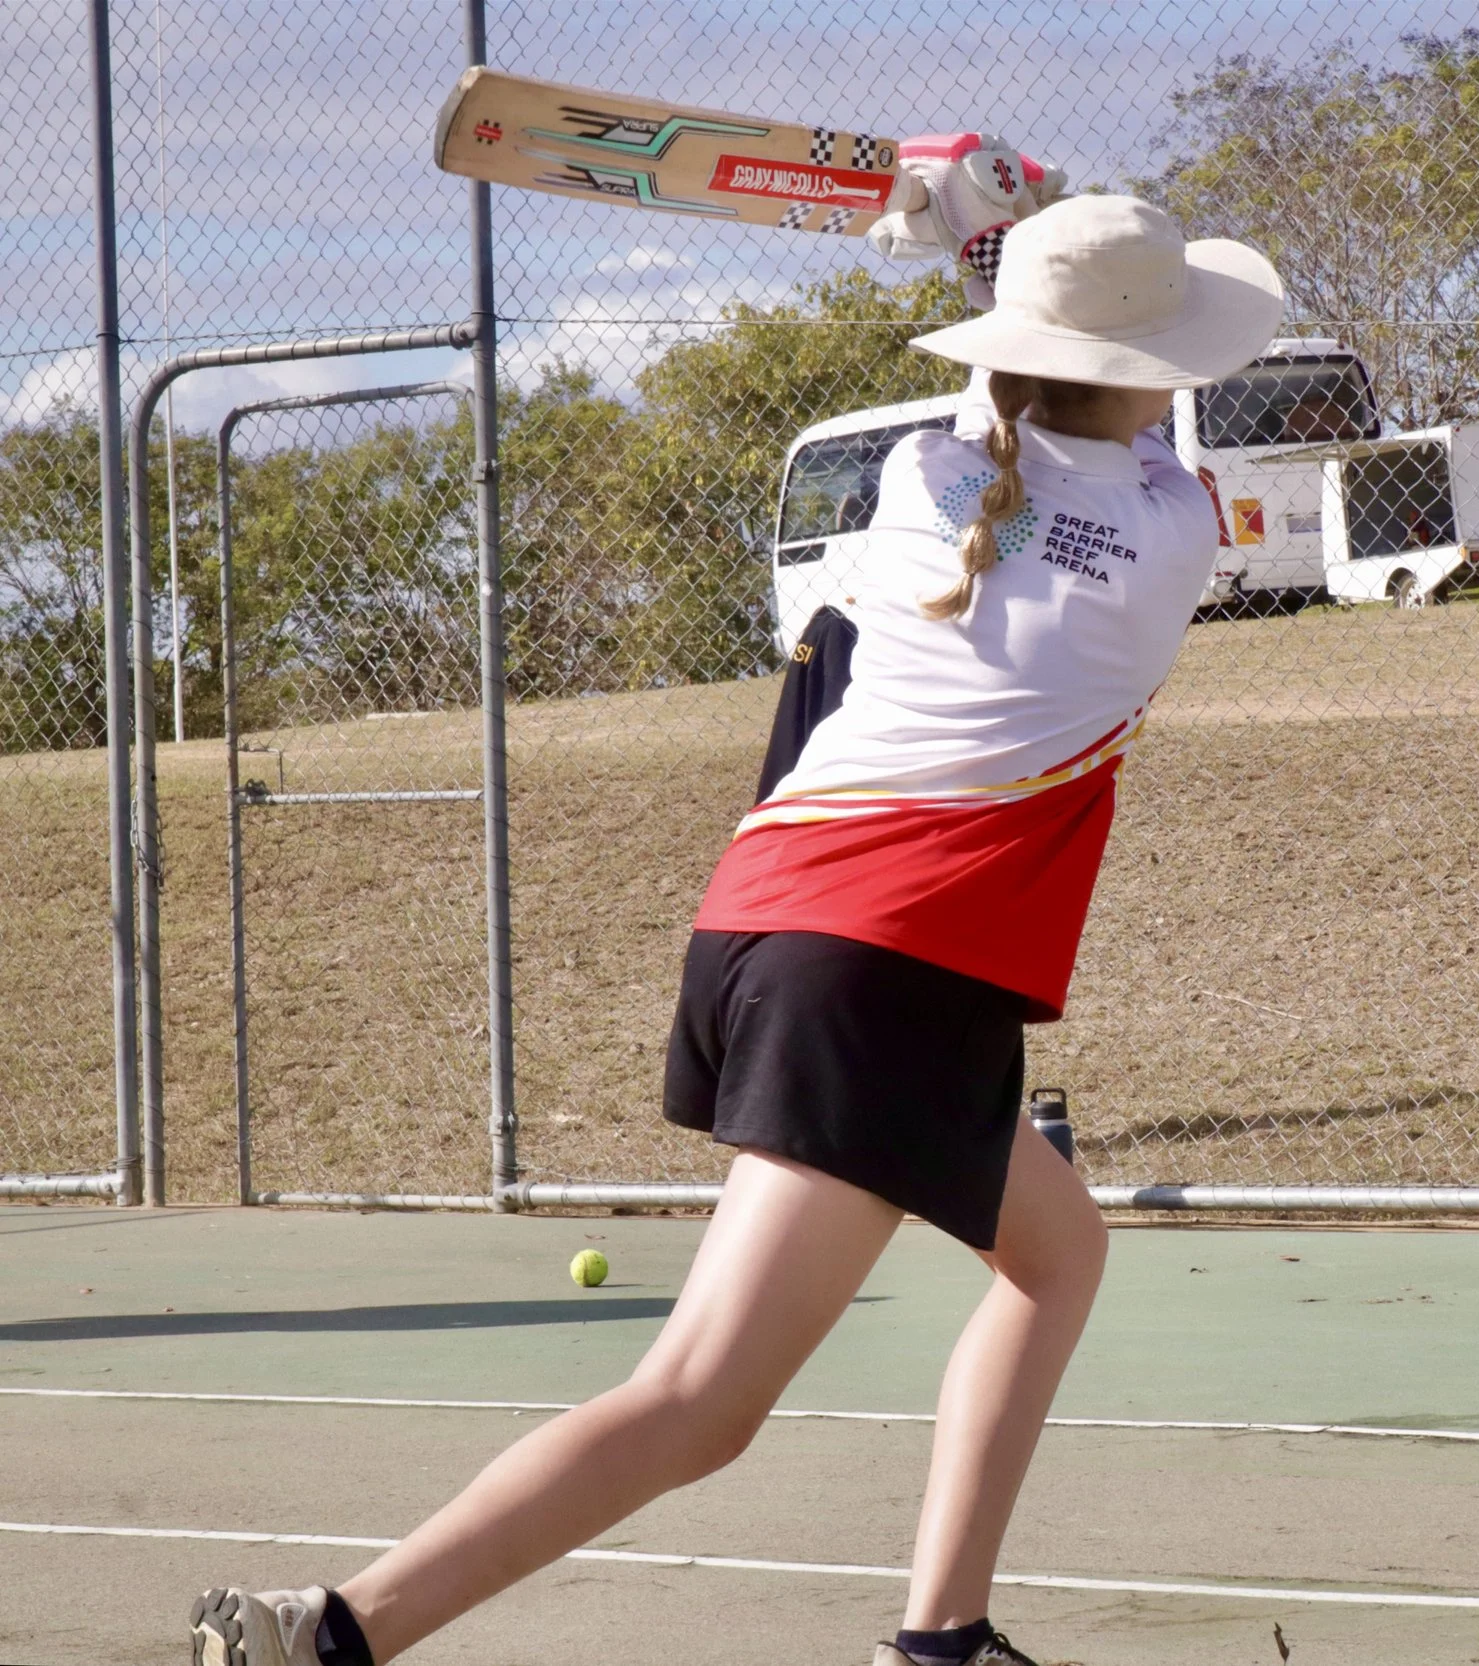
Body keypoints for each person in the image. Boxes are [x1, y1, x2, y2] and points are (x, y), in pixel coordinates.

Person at [186, 156, 1284, 1666]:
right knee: (700, 1398)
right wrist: (996, 231)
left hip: (775, 917)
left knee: (1058, 1251)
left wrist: (985, 232)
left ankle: (943, 1637)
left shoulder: (926, 483)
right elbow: (1109, 416)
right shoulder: (1175, 541)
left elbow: (1030, 408)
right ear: (1150, 370)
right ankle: (335, 1630)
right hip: (887, 972)